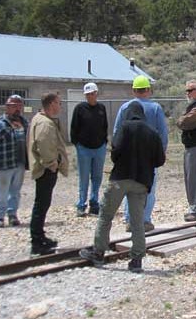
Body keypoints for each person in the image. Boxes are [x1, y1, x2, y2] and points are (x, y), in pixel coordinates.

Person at [79, 101, 165, 273]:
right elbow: (160, 160)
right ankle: (136, 259)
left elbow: (115, 151)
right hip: (142, 182)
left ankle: (99, 252)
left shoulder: (124, 128)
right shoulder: (152, 133)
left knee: (106, 215)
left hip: (120, 179)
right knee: (137, 222)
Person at [113, 75, 167, 232]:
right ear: (148, 90)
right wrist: (161, 152)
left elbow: (117, 131)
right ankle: (144, 220)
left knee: (129, 187)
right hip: (149, 156)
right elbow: (162, 133)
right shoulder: (155, 108)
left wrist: (117, 152)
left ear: (134, 90)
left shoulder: (125, 108)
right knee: (148, 187)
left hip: (127, 156)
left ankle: (130, 219)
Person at [28, 93, 69, 255]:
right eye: (59, 103)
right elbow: (44, 147)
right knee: (41, 204)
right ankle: (37, 241)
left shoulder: (41, 119)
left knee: (42, 203)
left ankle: (40, 236)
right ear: (51, 104)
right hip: (46, 170)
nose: (60, 106)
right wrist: (52, 164)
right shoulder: (45, 123)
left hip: (45, 168)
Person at [0, 95, 28, 228]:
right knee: (2, 192)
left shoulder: (24, 122)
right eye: (14, 106)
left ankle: (12, 215)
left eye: (19, 106)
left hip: (20, 163)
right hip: (4, 163)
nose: (17, 109)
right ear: (7, 107)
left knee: (15, 191)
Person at [70, 82, 108, 217]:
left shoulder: (101, 108)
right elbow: (74, 128)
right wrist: (77, 144)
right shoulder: (80, 109)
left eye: (92, 93)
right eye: (88, 94)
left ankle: (94, 202)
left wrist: (104, 142)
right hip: (84, 148)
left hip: (99, 148)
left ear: (96, 93)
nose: (90, 96)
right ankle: (81, 204)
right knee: (84, 177)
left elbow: (105, 126)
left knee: (97, 177)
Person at [176, 79, 196, 222]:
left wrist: (180, 120)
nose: (188, 93)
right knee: (192, 178)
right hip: (192, 147)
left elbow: (184, 122)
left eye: (191, 90)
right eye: (187, 90)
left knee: (195, 178)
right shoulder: (195, 106)